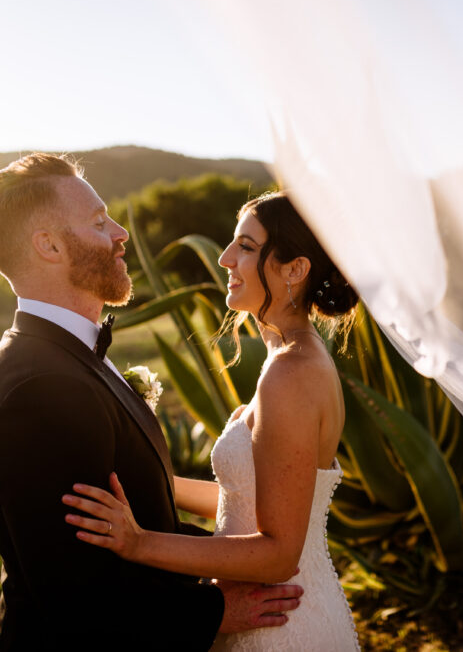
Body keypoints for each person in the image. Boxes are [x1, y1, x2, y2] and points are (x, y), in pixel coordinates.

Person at [0, 154, 302, 651]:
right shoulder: (35, 393)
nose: (121, 233)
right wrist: (217, 609)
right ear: (49, 246)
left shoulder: (71, 357)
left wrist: (232, 557)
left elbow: (139, 516)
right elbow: (77, 594)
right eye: (100, 223)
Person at [61, 191, 362, 651]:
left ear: (294, 270)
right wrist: (144, 479)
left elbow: (279, 553)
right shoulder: (290, 359)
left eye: (245, 247)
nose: (224, 259)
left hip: (281, 624)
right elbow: (243, 499)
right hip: (272, 611)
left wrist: (139, 543)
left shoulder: (292, 374)